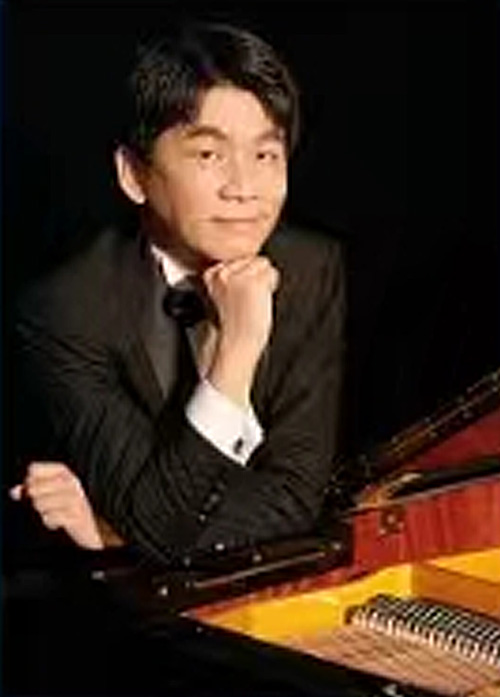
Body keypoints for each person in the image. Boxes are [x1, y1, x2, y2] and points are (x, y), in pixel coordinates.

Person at [12, 21, 345, 564]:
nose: (244, 189)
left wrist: (116, 531)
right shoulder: (66, 309)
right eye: (209, 155)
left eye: (265, 155)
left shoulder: (311, 268)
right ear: (134, 175)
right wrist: (235, 356)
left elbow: (294, 498)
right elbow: (163, 526)